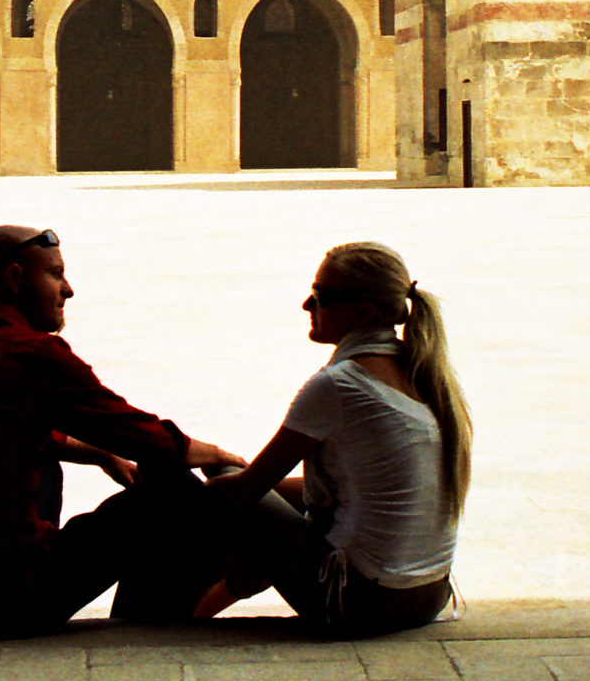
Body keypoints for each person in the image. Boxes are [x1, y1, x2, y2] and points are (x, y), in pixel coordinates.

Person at [0, 224, 246, 633]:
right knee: (176, 491)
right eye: (55, 274)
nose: (68, 289)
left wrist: (99, 454)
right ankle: (146, 626)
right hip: (1, 595)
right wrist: (219, 456)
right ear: (17, 278)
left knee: (45, 456)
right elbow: (147, 439)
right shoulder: (32, 353)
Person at [196, 241, 472, 634]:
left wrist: (179, 479)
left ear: (362, 312)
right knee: (268, 503)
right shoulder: (422, 374)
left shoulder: (340, 385)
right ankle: (207, 606)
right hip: (427, 598)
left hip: (359, 604)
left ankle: (181, 610)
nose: (307, 306)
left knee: (222, 480)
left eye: (321, 297)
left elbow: (245, 492)